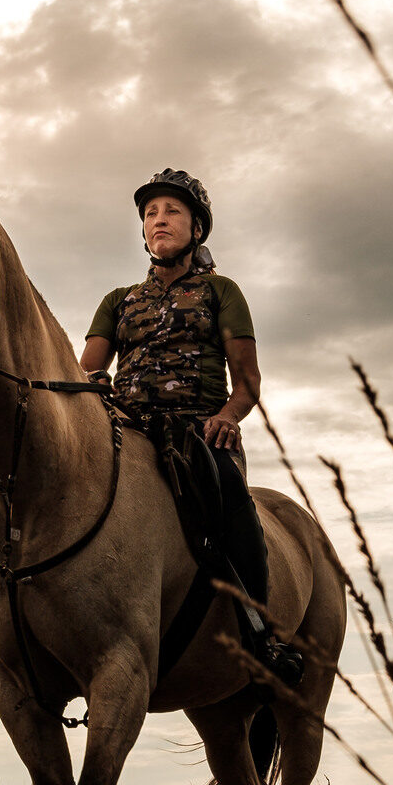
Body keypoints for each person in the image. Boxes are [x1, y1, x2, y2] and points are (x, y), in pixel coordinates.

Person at [82, 169, 301, 684]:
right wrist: (91, 384)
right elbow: (88, 368)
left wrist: (226, 418)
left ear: (196, 229)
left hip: (198, 434)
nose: (160, 220)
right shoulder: (118, 300)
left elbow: (247, 384)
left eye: (172, 211)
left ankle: (261, 634)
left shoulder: (221, 291)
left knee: (230, 496)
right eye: (151, 213)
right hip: (126, 427)